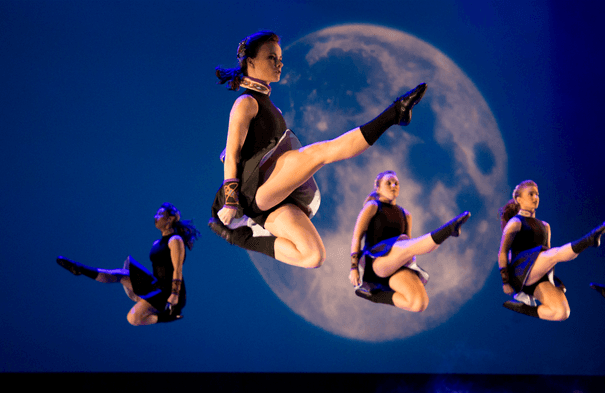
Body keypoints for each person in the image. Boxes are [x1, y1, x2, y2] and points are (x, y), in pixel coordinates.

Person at [209, 30, 427, 268]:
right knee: (320, 153)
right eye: (271, 57)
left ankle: (238, 236)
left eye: (280, 58)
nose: (279, 63)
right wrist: (230, 202)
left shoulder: (272, 109)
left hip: (271, 197)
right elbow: (232, 154)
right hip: (253, 189)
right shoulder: (246, 102)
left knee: (313, 255)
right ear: (250, 62)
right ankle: (395, 113)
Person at [56, 203, 200, 326]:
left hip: (168, 292)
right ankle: (80, 269)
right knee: (120, 274)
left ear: (170, 219)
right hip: (156, 285)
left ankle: (168, 316)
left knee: (133, 318)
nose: (155, 216)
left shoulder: (175, 240)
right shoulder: (156, 243)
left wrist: (174, 294)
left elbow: (177, 269)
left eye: (160, 214)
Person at [348, 170, 470, 312]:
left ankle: (375, 296)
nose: (393, 186)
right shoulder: (372, 206)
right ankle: (448, 230)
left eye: (396, 183)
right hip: (377, 263)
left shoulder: (406, 215)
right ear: (378, 187)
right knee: (406, 246)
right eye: (388, 183)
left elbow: (411, 245)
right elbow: (356, 237)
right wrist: (354, 267)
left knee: (419, 303)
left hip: (398, 263)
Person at [498, 180, 605, 321]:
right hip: (520, 272)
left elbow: (549, 256)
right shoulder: (515, 222)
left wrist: (552, 281)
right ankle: (588, 240)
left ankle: (524, 308)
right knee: (554, 254)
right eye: (531, 194)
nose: (535, 198)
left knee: (562, 312)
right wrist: (505, 281)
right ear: (518, 199)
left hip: (539, 274)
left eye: (537, 194)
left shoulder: (545, 226)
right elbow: (502, 252)